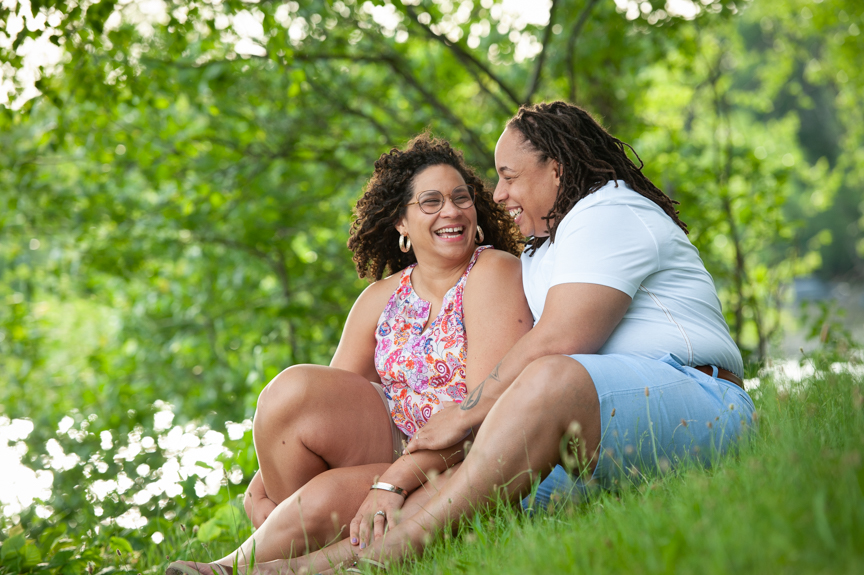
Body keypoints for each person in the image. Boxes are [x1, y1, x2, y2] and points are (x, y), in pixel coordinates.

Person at [275, 100, 756, 574]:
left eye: (509, 175)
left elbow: (561, 338)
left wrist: (464, 413)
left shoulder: (609, 211)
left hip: (701, 399)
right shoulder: (547, 247)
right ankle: (294, 569)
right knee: (460, 484)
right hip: (598, 428)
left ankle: (389, 557)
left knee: (548, 378)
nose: (499, 194)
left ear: (557, 169)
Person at [165, 134, 532, 575]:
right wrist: (262, 480)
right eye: (431, 202)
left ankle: (255, 568)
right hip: (392, 446)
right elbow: (330, 405)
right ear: (401, 221)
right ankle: (266, 552)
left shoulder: (493, 272)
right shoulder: (381, 297)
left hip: (464, 455)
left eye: (461, 198)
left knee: (325, 497)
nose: (452, 211)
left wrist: (394, 482)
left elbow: (481, 414)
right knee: (291, 394)